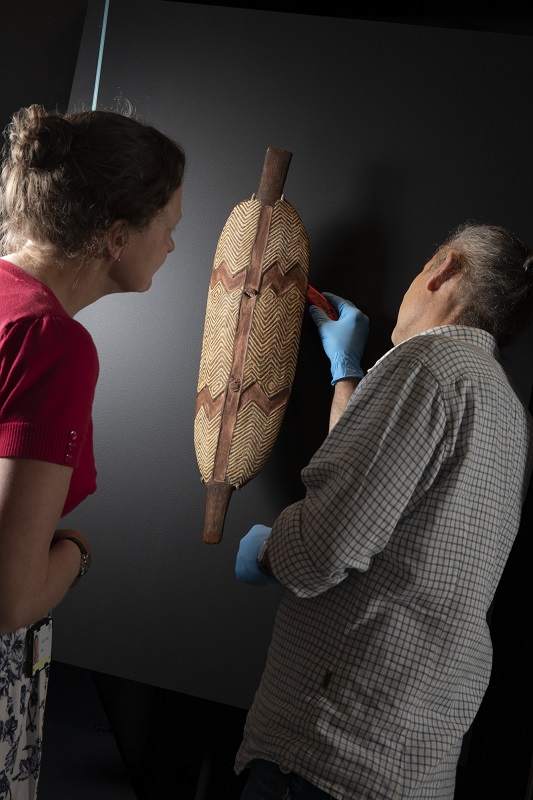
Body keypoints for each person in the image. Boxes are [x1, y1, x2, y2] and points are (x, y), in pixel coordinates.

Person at [234, 221, 533, 800]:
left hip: (328, 754)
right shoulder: (505, 408)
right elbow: (377, 485)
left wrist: (270, 550)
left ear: (444, 269)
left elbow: (324, 550)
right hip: (408, 763)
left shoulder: (426, 368)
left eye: (423, 267)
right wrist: (346, 372)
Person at [0, 102, 185, 799]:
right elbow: (10, 598)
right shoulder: (52, 345)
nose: (171, 245)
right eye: (167, 227)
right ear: (115, 235)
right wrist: (75, 550)